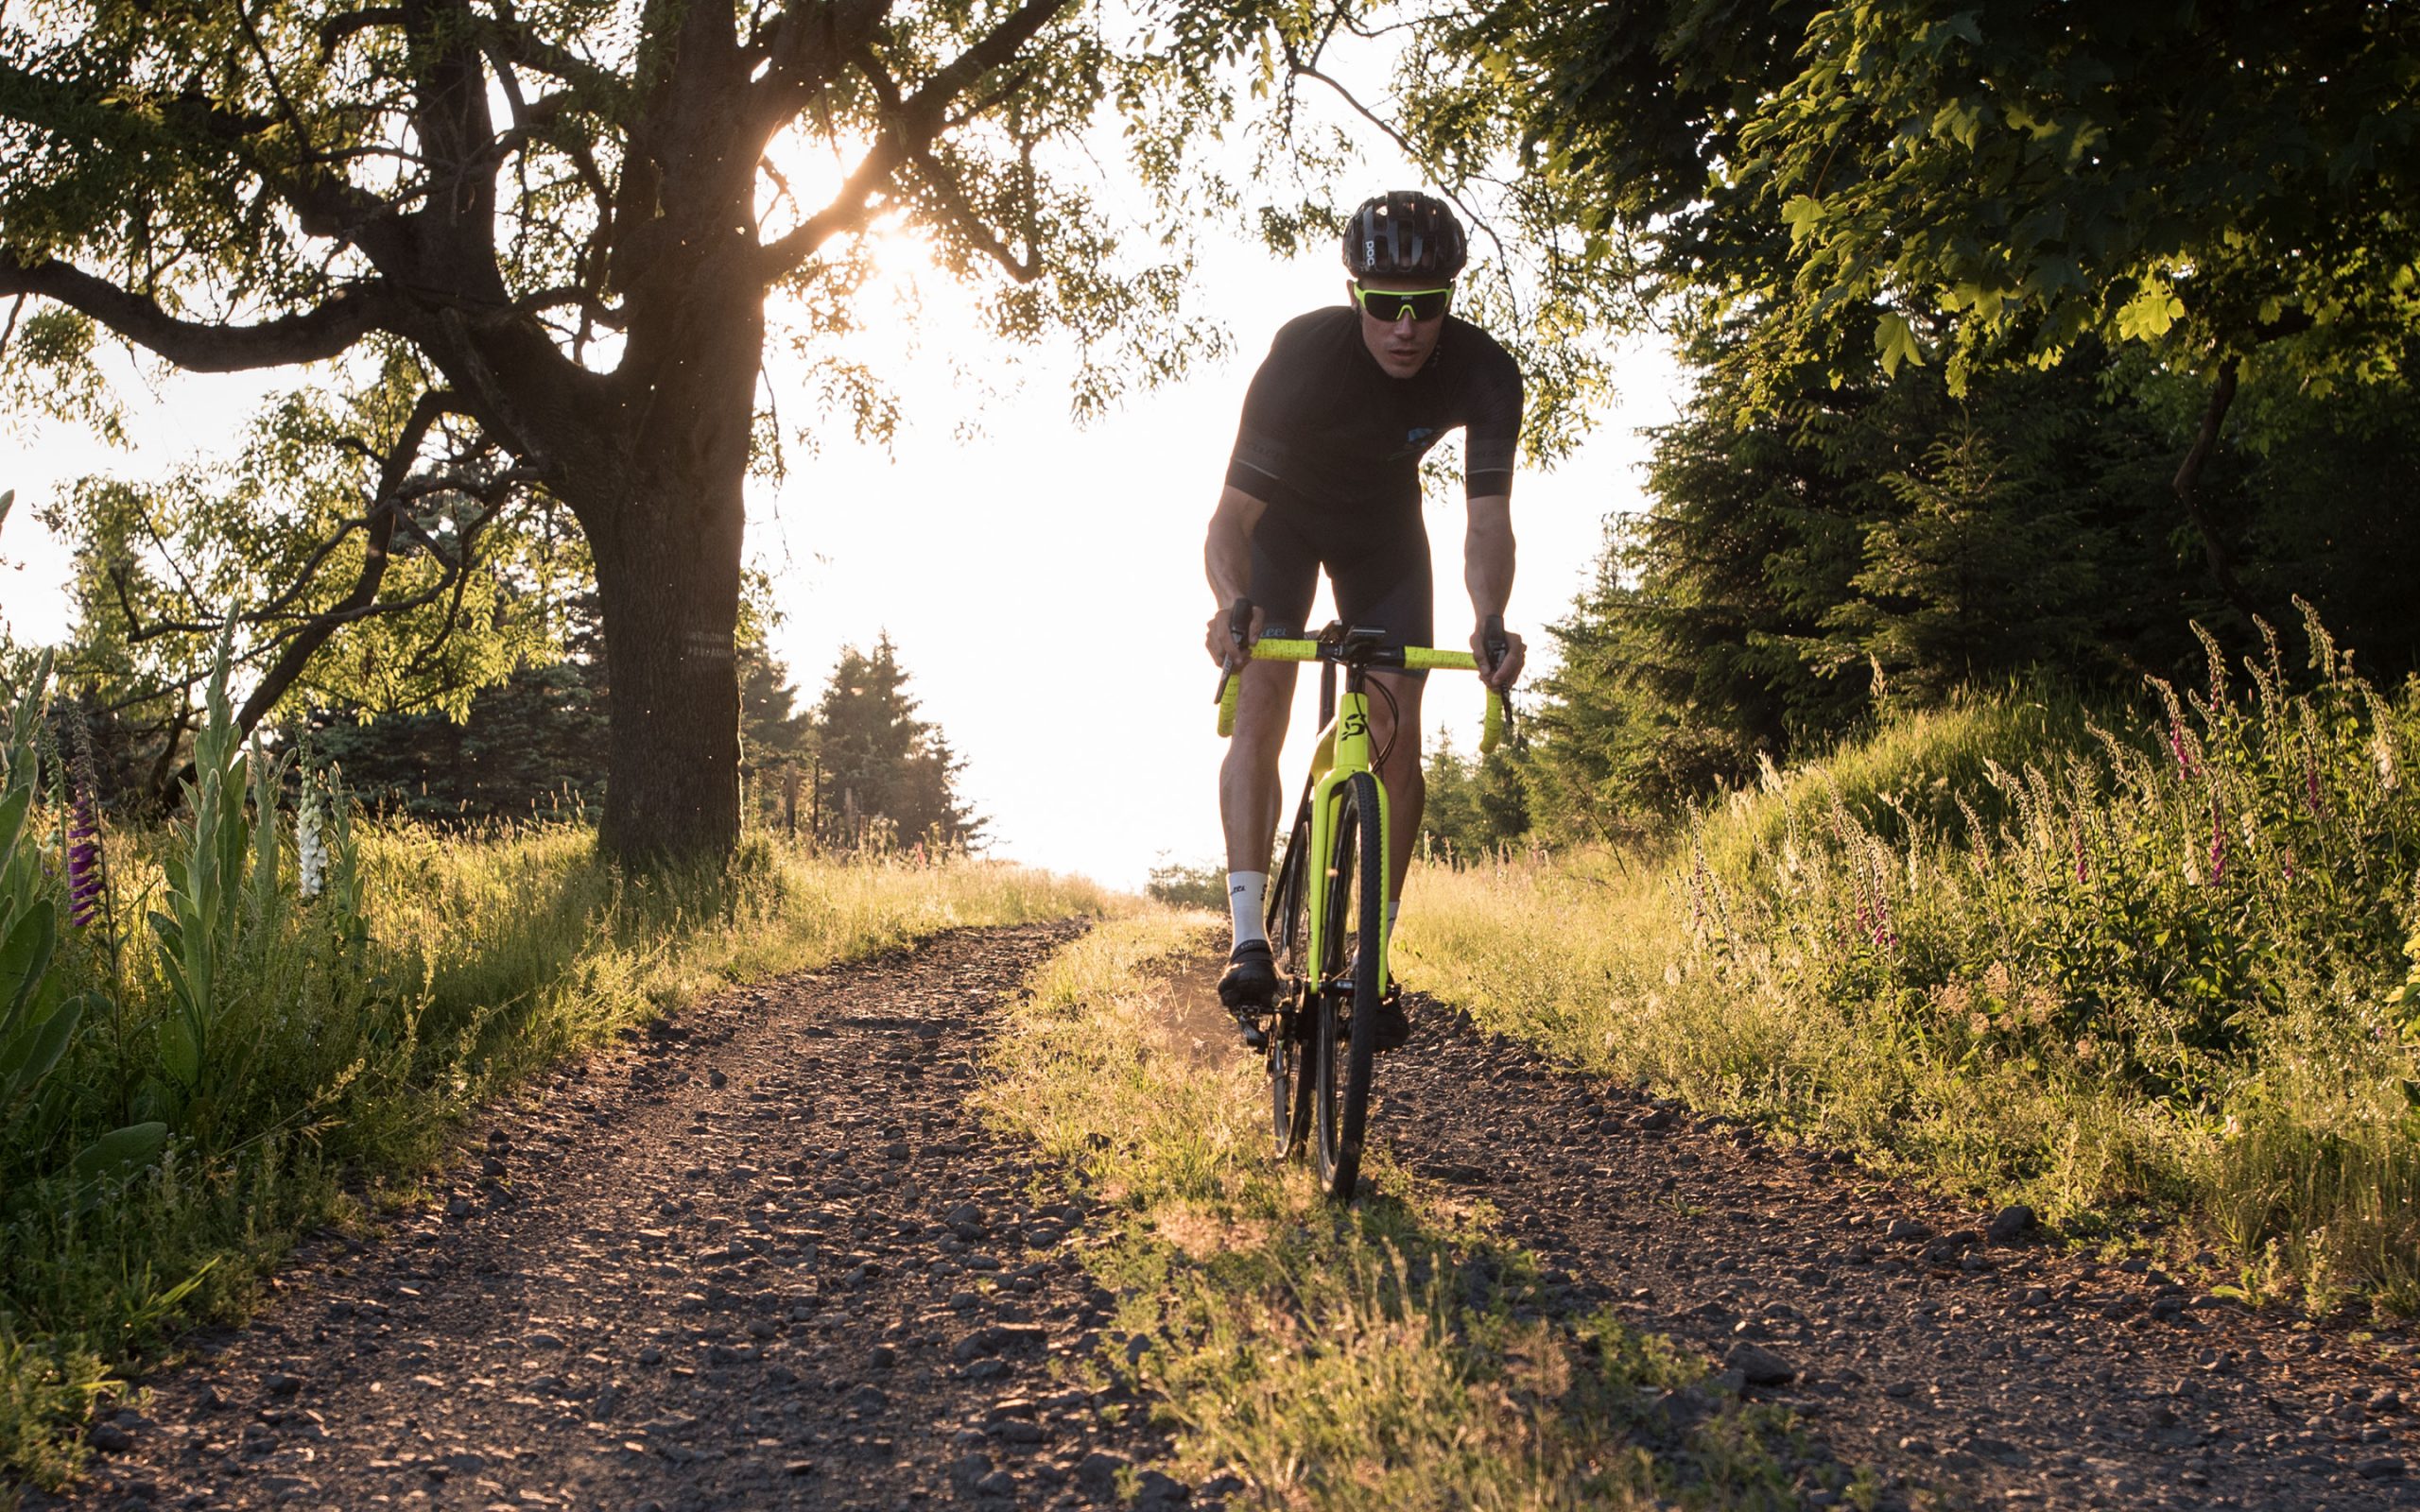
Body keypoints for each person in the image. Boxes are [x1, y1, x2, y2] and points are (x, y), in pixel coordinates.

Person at [1202, 189, 1526, 1049]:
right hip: (1284, 530)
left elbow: (1486, 520)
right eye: (1386, 306)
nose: (1407, 327)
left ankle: (1369, 959)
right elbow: (1229, 522)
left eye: (1427, 306)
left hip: (1385, 537)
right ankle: (1248, 937)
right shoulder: (1303, 358)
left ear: (1450, 301)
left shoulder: (1485, 372)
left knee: (1397, 727)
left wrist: (1490, 618)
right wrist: (1233, 608)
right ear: (1356, 297)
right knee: (1265, 692)